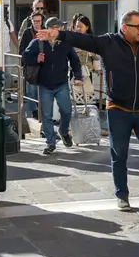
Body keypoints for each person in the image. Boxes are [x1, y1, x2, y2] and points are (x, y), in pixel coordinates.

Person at [38, 10, 139, 210]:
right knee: (119, 154)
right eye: (137, 26)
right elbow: (83, 40)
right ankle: (122, 195)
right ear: (124, 28)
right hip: (118, 108)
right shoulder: (109, 43)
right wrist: (59, 34)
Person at [22, 17, 82, 155]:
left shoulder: (65, 43)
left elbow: (75, 60)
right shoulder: (37, 42)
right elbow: (25, 56)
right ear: (50, 29)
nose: (61, 30)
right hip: (45, 84)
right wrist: (36, 59)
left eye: (61, 28)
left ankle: (63, 131)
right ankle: (50, 143)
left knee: (66, 111)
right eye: (58, 27)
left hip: (62, 83)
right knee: (47, 116)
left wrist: (78, 76)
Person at [19, 11, 45, 118]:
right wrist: (24, 64)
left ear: (42, 21)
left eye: (39, 21)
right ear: (31, 21)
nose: (37, 23)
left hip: (43, 65)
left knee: (43, 89)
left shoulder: (45, 31)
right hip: (31, 65)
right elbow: (22, 50)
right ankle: (34, 112)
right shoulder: (27, 33)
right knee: (31, 89)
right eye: (35, 21)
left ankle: (42, 109)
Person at [70, 13, 99, 105]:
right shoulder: (72, 38)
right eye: (77, 26)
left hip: (87, 70)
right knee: (74, 92)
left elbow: (96, 56)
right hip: (74, 70)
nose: (78, 28)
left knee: (87, 91)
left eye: (80, 27)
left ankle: (87, 109)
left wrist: (98, 68)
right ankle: (76, 109)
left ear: (87, 27)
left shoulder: (91, 40)